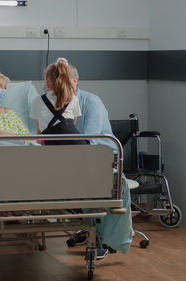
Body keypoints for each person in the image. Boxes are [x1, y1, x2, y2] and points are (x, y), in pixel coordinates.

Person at [67, 63, 133, 260]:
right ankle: (95, 230)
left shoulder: (91, 102)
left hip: (101, 154)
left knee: (92, 182)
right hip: (73, 157)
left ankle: (102, 237)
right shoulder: (53, 104)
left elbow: (90, 139)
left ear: (75, 81)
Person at [29, 57, 86, 145]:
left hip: (52, 146)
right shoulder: (74, 99)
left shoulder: (37, 101)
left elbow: (39, 131)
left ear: (47, 83)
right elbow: (71, 125)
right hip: (76, 145)